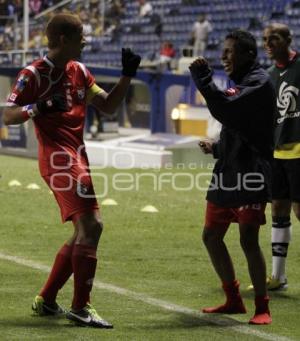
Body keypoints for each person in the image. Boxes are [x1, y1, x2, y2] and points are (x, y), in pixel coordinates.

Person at [3, 13, 141, 328]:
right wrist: (38, 107)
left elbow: (107, 105)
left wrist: (127, 76)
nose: (86, 42)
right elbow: (9, 116)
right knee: (92, 226)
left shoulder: (79, 70)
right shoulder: (33, 74)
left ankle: (47, 300)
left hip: (77, 157)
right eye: (81, 36)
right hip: (57, 159)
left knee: (83, 230)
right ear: (63, 39)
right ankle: (81, 307)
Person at [189, 30, 276, 324]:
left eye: (230, 52)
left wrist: (202, 79)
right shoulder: (241, 83)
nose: (224, 57)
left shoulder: (259, 82)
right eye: (223, 51)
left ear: (249, 55)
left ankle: (262, 307)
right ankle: (233, 299)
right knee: (211, 236)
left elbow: (225, 107)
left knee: (248, 238)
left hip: (251, 173)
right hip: (227, 172)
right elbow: (238, 127)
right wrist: (217, 148)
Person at [261, 23, 300, 290]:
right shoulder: (268, 75)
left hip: (299, 151)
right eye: (265, 39)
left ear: (288, 39)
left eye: (274, 38)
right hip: (276, 152)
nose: (268, 43)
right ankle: (278, 276)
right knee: (278, 209)